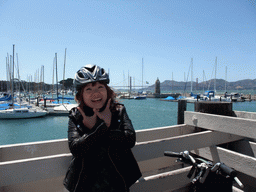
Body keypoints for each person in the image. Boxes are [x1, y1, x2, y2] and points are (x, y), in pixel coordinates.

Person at [63, 64, 141, 192]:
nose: (96, 93)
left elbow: (130, 140)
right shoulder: (76, 115)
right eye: (88, 89)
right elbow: (76, 149)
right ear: (81, 94)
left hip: (118, 183)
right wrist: (100, 128)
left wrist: (105, 126)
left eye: (100, 87)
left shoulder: (118, 110)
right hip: (84, 184)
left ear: (107, 91)